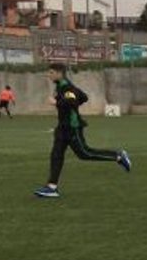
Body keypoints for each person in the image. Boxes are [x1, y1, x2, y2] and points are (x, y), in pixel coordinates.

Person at [34, 63, 131, 197]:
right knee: (56, 155)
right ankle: (52, 187)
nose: (48, 75)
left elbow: (71, 102)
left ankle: (118, 155)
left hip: (72, 127)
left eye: (51, 72)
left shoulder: (66, 87)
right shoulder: (61, 87)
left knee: (85, 153)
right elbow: (83, 97)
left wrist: (55, 102)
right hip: (62, 127)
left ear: (59, 73)